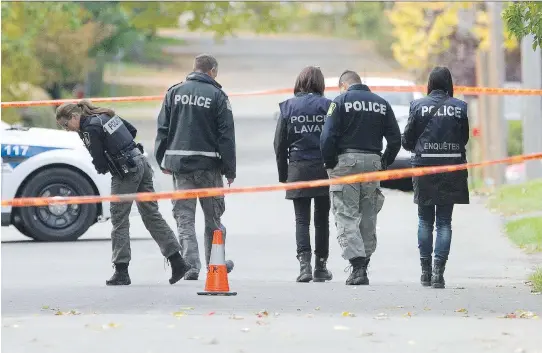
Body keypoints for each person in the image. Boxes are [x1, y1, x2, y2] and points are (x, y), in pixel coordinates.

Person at [55, 100, 191, 286]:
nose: (67, 129)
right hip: (140, 162)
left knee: (119, 219)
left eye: (65, 124)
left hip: (126, 172)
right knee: (152, 215)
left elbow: (99, 161)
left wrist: (106, 162)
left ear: (74, 116)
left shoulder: (89, 129)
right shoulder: (105, 115)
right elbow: (132, 131)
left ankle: (121, 271)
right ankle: (177, 261)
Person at [155, 53, 235, 281]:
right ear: (212, 71)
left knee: (184, 218)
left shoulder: (174, 92)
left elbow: (163, 128)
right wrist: (230, 169)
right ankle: (215, 264)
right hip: (209, 167)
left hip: (180, 167)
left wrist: (163, 159)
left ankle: (190, 265)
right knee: (214, 219)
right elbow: (226, 136)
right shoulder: (218, 95)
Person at [320, 70, 401, 286]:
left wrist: (329, 162)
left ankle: (356, 266)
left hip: (346, 162)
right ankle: (363, 264)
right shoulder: (381, 103)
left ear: (344, 85)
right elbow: (395, 139)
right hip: (373, 162)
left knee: (346, 214)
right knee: (368, 215)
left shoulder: (339, 101)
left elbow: (327, 136)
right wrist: (384, 161)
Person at [401, 66, 470, 289]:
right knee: (444, 222)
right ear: (449, 84)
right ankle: (439, 273)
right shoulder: (459, 107)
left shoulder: (417, 106)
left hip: (424, 167)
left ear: (429, 84)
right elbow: (464, 139)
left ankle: (425, 271)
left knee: (424, 220)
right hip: (451, 167)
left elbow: (408, 141)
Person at [273, 66, 334, 283]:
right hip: (323, 168)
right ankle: (321, 266)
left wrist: (284, 174)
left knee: (301, 220)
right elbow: (335, 136)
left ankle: (304, 265)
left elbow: (279, 144)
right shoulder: (330, 106)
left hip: (297, 168)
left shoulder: (287, 107)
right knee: (322, 220)